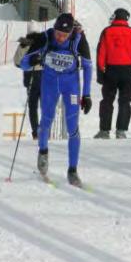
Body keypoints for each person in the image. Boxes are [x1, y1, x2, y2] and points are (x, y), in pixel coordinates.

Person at [21, 13, 93, 187]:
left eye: (64, 35)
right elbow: (22, 63)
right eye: (58, 33)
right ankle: (43, 151)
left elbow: (88, 66)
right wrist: (33, 59)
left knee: (72, 127)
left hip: (71, 85)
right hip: (50, 82)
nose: (60, 38)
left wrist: (87, 94)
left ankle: (73, 170)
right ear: (54, 29)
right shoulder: (46, 37)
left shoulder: (78, 39)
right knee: (46, 120)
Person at [95, 8, 131, 139]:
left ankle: (104, 131)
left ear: (115, 17)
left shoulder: (106, 31)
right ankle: (121, 130)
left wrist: (101, 73)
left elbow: (101, 54)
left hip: (111, 70)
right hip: (127, 71)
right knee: (125, 101)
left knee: (107, 100)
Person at [14, 31, 45, 139]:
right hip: (40, 75)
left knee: (33, 106)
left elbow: (17, 62)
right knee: (43, 105)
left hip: (32, 76)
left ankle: (36, 132)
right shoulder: (42, 42)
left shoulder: (24, 44)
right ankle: (42, 131)